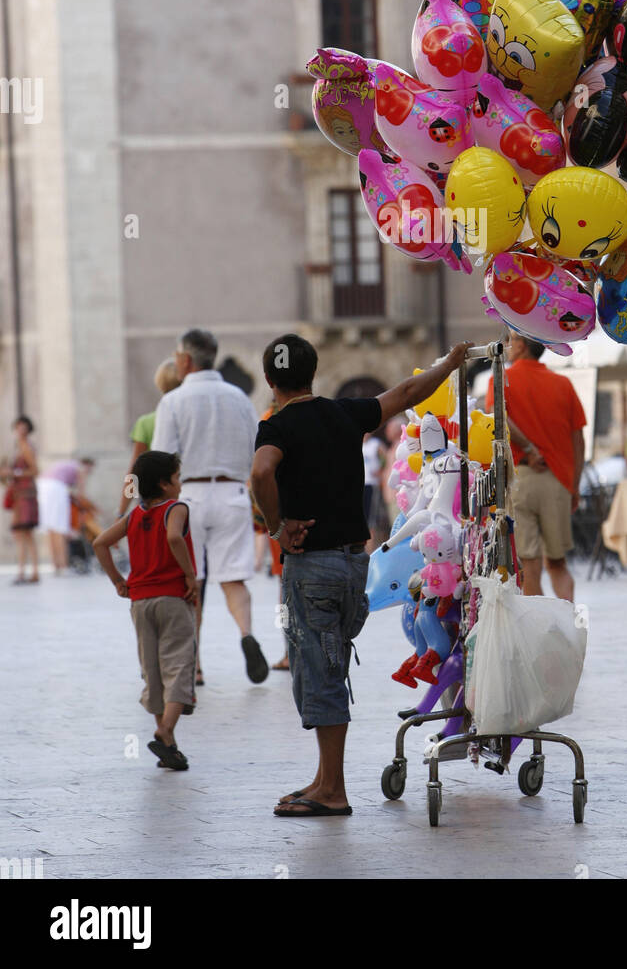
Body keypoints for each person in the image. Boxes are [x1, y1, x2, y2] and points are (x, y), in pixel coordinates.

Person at [251, 333, 470, 818]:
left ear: (270, 380)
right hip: (354, 565)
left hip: (312, 567)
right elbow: (407, 394)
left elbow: (261, 473)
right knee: (329, 666)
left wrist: (276, 527)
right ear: (312, 372)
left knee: (321, 672)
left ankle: (333, 790)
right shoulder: (343, 413)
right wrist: (451, 362)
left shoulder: (276, 427)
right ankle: (324, 779)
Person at [151, 327, 267, 686]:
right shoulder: (239, 398)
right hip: (233, 493)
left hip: (189, 498)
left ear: (184, 360)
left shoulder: (173, 402)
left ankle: (194, 662)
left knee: (191, 581)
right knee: (233, 578)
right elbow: (257, 450)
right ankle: (246, 634)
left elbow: (162, 458)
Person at [93, 451, 198, 772]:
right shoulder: (176, 508)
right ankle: (165, 729)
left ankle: (170, 746)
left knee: (151, 669)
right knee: (179, 663)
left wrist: (118, 581)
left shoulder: (135, 515)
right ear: (166, 484)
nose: (180, 484)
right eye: (177, 478)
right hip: (172, 597)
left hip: (140, 602)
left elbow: (100, 542)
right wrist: (190, 575)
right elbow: (173, 536)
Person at [486, 332, 585, 602]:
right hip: (558, 481)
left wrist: (528, 448)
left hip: (519, 480)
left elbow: (498, 422)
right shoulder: (563, 384)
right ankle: (567, 618)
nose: (507, 345)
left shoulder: (500, 381)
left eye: (510, 340)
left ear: (521, 345)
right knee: (558, 562)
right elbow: (578, 441)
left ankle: (541, 628)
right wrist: (574, 486)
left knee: (528, 564)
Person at [119, 359, 181, 518]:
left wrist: (122, 511)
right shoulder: (191, 417)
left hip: (155, 500)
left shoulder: (145, 422)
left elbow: (134, 471)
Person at [2, 416, 39, 584]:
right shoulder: (19, 446)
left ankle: (27, 571)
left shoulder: (25, 446)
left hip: (26, 494)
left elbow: (34, 470)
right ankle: (27, 570)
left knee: (24, 532)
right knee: (23, 533)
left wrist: (14, 473)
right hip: (20, 494)